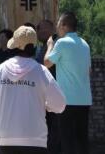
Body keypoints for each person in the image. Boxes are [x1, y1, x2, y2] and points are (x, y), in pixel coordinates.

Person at [0, 25, 66, 154]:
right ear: (33, 47)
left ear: (14, 46)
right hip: (35, 139)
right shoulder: (41, 71)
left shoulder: (1, 70)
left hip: (6, 139)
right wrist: (46, 105)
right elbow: (60, 105)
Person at [45, 12, 92, 154]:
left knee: (67, 141)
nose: (57, 27)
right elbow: (89, 71)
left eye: (59, 24)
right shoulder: (85, 44)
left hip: (67, 100)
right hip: (84, 99)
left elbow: (47, 63)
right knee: (81, 141)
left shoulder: (62, 43)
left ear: (65, 26)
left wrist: (50, 45)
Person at [35, 20, 59, 154]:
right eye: (38, 29)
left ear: (51, 29)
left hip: (52, 94)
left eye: (42, 28)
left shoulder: (56, 44)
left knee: (54, 131)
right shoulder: (41, 48)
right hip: (42, 96)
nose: (40, 31)